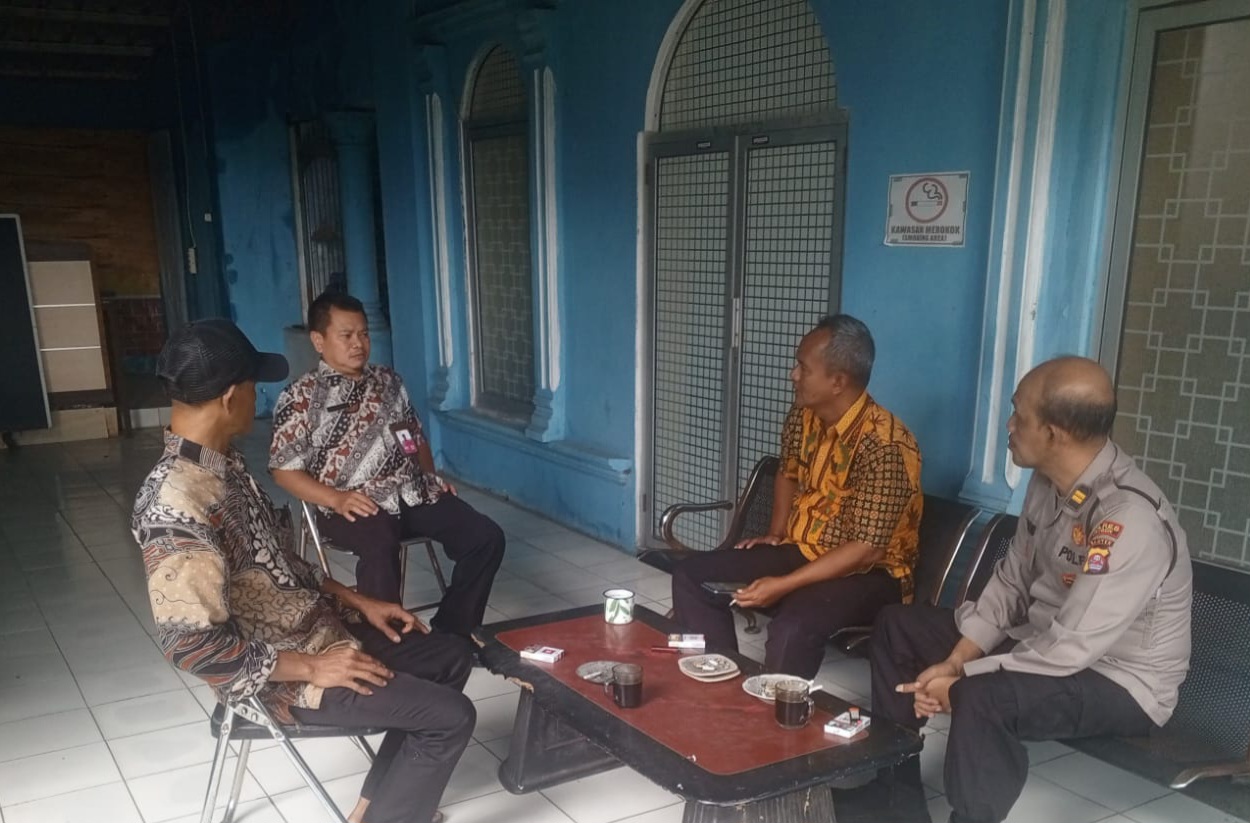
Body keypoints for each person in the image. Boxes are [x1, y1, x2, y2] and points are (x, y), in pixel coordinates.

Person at [133, 318, 474, 823]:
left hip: (318, 632)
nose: (257, 396)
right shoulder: (176, 503)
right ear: (230, 397)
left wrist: (359, 601)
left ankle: (373, 810)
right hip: (281, 674)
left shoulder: (223, 466)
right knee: (450, 717)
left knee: (450, 655)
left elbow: (282, 568)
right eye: (254, 385)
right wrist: (315, 668)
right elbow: (193, 647)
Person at [861, 356, 1193, 823]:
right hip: (1046, 643)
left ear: (1054, 433)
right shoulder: (1048, 481)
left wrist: (961, 682)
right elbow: (1013, 578)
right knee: (899, 626)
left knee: (982, 697)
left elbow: (1070, 648)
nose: (1009, 425)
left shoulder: (1127, 519)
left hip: (1119, 680)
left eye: (1018, 413)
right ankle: (894, 797)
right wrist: (957, 659)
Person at [671, 314, 923, 679]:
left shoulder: (885, 446)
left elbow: (866, 549)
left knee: (793, 627)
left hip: (873, 574)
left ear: (838, 381)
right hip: (804, 549)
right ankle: (719, 684)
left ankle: (770, 712)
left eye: (803, 368)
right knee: (692, 576)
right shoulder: (803, 416)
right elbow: (788, 472)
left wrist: (783, 584)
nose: (793, 375)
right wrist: (776, 533)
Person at [270, 292, 505, 636]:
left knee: (485, 537)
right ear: (319, 341)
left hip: (411, 493)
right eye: (346, 335)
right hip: (349, 504)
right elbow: (283, 470)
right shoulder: (300, 396)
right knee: (380, 543)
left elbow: (414, 439)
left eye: (364, 334)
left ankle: (453, 632)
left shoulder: (389, 381)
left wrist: (430, 478)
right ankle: (388, 646)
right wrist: (336, 499)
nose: (358, 344)